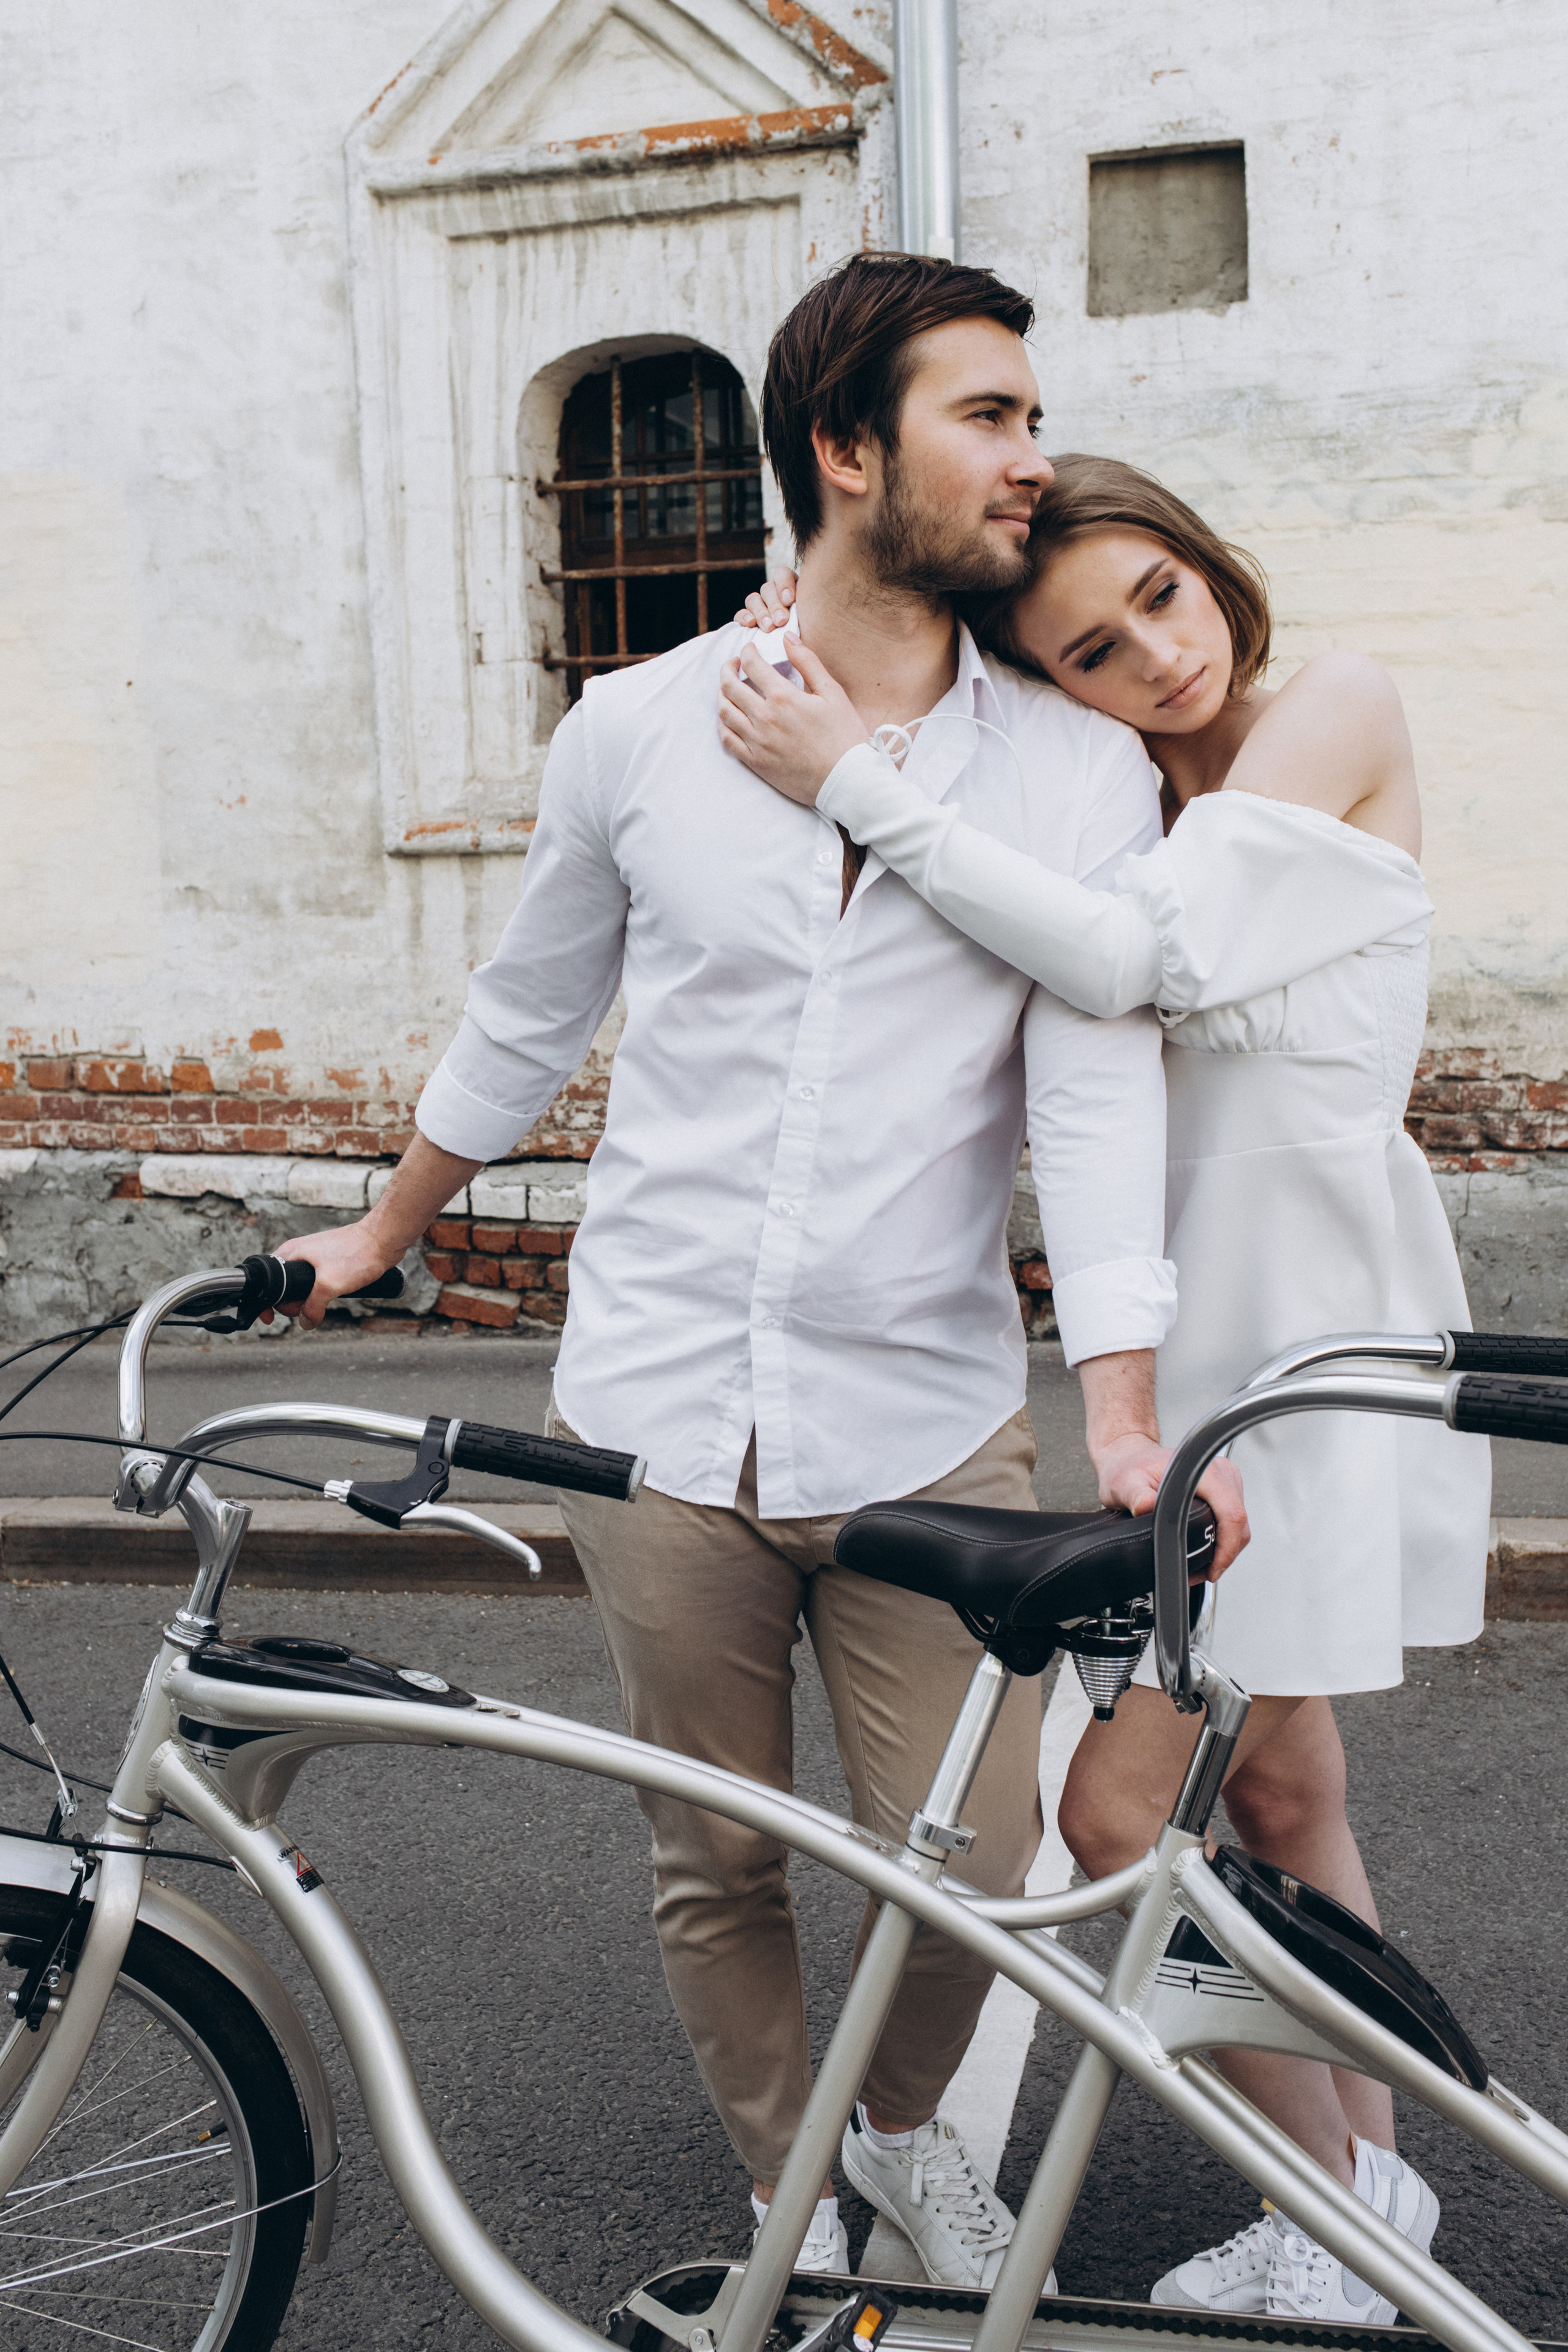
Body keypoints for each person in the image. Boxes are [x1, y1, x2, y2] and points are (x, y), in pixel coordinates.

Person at [275, 262, 1245, 2290]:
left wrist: (1127, 1402)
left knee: (972, 1866)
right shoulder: (631, 733)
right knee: (716, 1862)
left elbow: (1094, 1095)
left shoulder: (1066, 765)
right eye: (989, 414)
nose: (1032, 458)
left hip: (926, 1417)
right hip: (657, 1406)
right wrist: (383, 1228)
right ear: (846, 448)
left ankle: (893, 2149)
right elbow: (527, 1016)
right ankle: (782, 2206)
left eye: (1030, 414)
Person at [721, 454, 1490, 2325]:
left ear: (1203, 557)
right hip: (1203, 1326)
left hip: (1310, 1332)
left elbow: (1126, 954)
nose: (1155, 653)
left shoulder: (1333, 704)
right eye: (1091, 647)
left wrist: (853, 783)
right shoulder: (1150, 789)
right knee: (1287, 1787)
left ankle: (1346, 2211)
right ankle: (1366, 2193)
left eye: (1160, 591)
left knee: (1123, 1814)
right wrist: (807, 652)